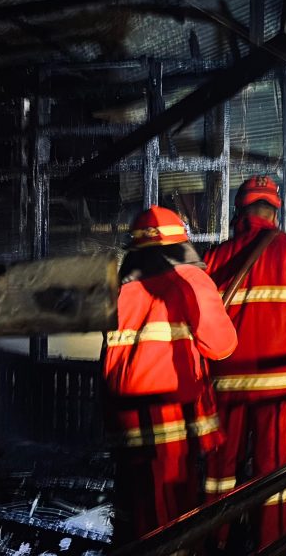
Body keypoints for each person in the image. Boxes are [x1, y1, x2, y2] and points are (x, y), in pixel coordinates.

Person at [203, 176, 286, 550]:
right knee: (274, 472)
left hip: (226, 384)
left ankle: (214, 540)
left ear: (240, 211)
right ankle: (270, 544)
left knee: (219, 474)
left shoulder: (218, 256)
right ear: (275, 211)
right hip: (277, 385)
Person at [102, 205, 238, 545]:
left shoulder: (117, 288)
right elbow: (221, 346)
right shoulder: (190, 280)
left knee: (137, 518)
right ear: (181, 244)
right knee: (174, 522)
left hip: (127, 423)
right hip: (173, 421)